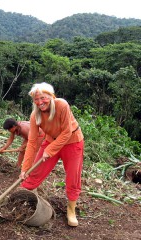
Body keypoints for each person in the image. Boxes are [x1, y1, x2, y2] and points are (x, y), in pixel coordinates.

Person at [19, 82, 84, 227]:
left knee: (73, 177)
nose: (40, 102)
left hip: (72, 141)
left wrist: (50, 150)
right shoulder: (35, 115)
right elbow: (32, 142)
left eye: (43, 98)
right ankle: (26, 199)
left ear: (51, 96)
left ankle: (71, 209)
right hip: (50, 141)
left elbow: (67, 132)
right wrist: (25, 168)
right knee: (34, 173)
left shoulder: (62, 105)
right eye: (36, 99)